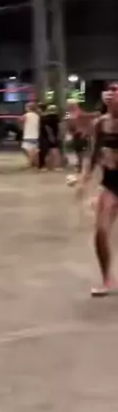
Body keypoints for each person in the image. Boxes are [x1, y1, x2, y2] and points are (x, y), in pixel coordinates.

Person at [78, 83, 118, 297]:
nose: (112, 94)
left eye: (116, 90)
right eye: (110, 91)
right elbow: (92, 153)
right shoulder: (100, 123)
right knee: (101, 232)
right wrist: (84, 178)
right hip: (111, 183)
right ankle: (107, 279)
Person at [22, 102, 40, 168]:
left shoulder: (26, 115)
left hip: (28, 135)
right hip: (35, 135)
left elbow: (21, 120)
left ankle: (30, 163)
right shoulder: (37, 115)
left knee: (29, 149)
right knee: (35, 150)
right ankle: (36, 163)